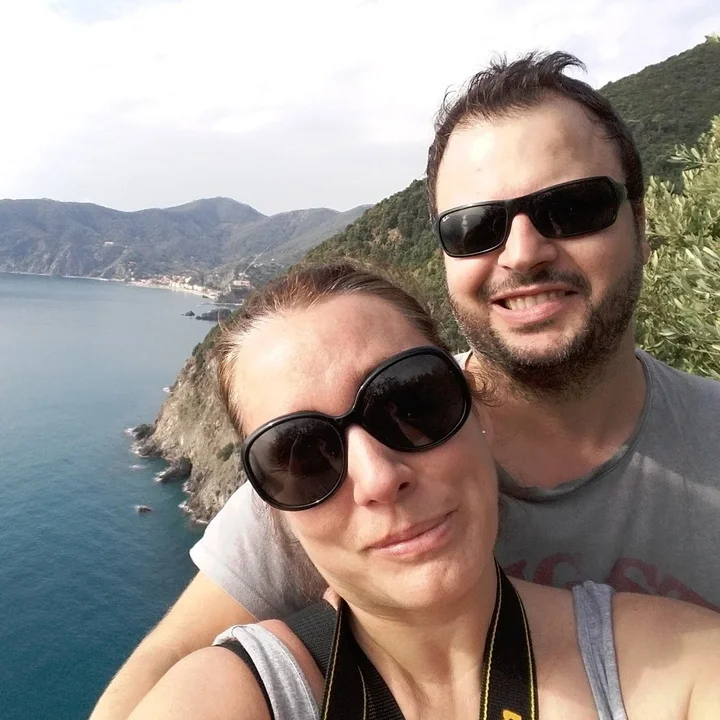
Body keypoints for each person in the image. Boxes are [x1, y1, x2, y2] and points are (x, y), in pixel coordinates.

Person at [89, 52, 720, 720]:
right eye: (475, 227)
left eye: (572, 208)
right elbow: (161, 679)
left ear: (641, 224)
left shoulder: (677, 651)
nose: (522, 252)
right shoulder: (327, 470)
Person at [125, 261, 720, 720]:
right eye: (303, 454)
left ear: (478, 411)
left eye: (411, 402)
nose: (380, 479)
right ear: (274, 511)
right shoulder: (235, 695)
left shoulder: (677, 666)